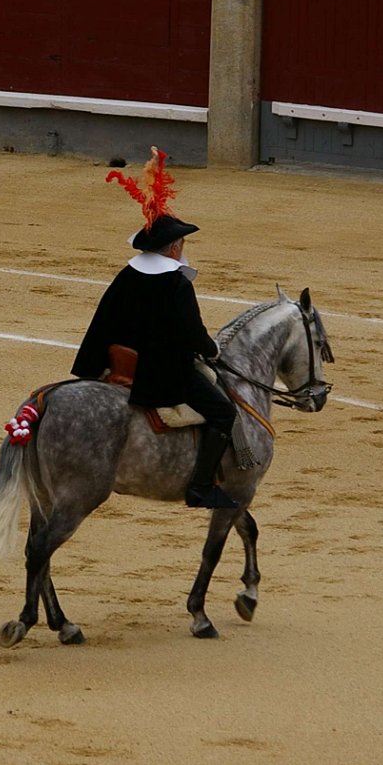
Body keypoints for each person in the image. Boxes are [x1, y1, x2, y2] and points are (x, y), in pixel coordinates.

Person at [71, 147, 238, 510]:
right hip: (159, 375)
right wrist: (211, 350)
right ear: (174, 247)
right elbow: (191, 334)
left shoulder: (128, 275)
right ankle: (199, 487)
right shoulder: (176, 284)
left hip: (117, 364)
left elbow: (104, 321)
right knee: (225, 413)